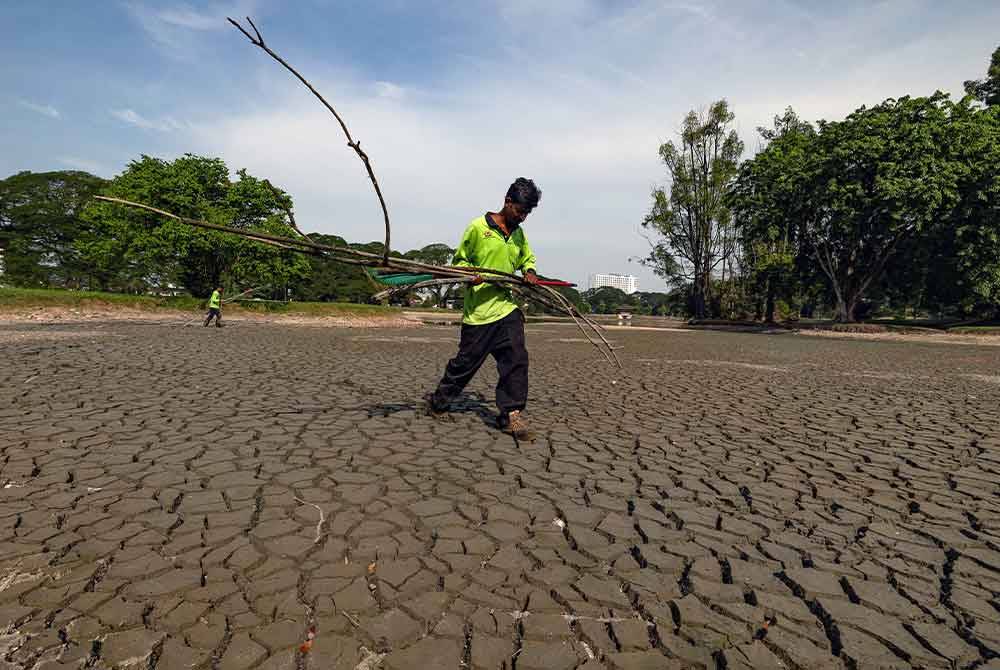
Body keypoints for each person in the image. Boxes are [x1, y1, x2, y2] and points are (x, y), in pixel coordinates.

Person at [427, 178, 542, 439]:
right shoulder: (478, 228)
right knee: (464, 364)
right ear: (507, 201)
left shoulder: (519, 234)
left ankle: (511, 415)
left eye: (527, 213)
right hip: (479, 313)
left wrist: (530, 271)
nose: (522, 217)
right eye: (520, 210)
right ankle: (438, 402)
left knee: (516, 360)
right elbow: (459, 262)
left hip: (506, 308)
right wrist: (469, 273)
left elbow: (527, 257)